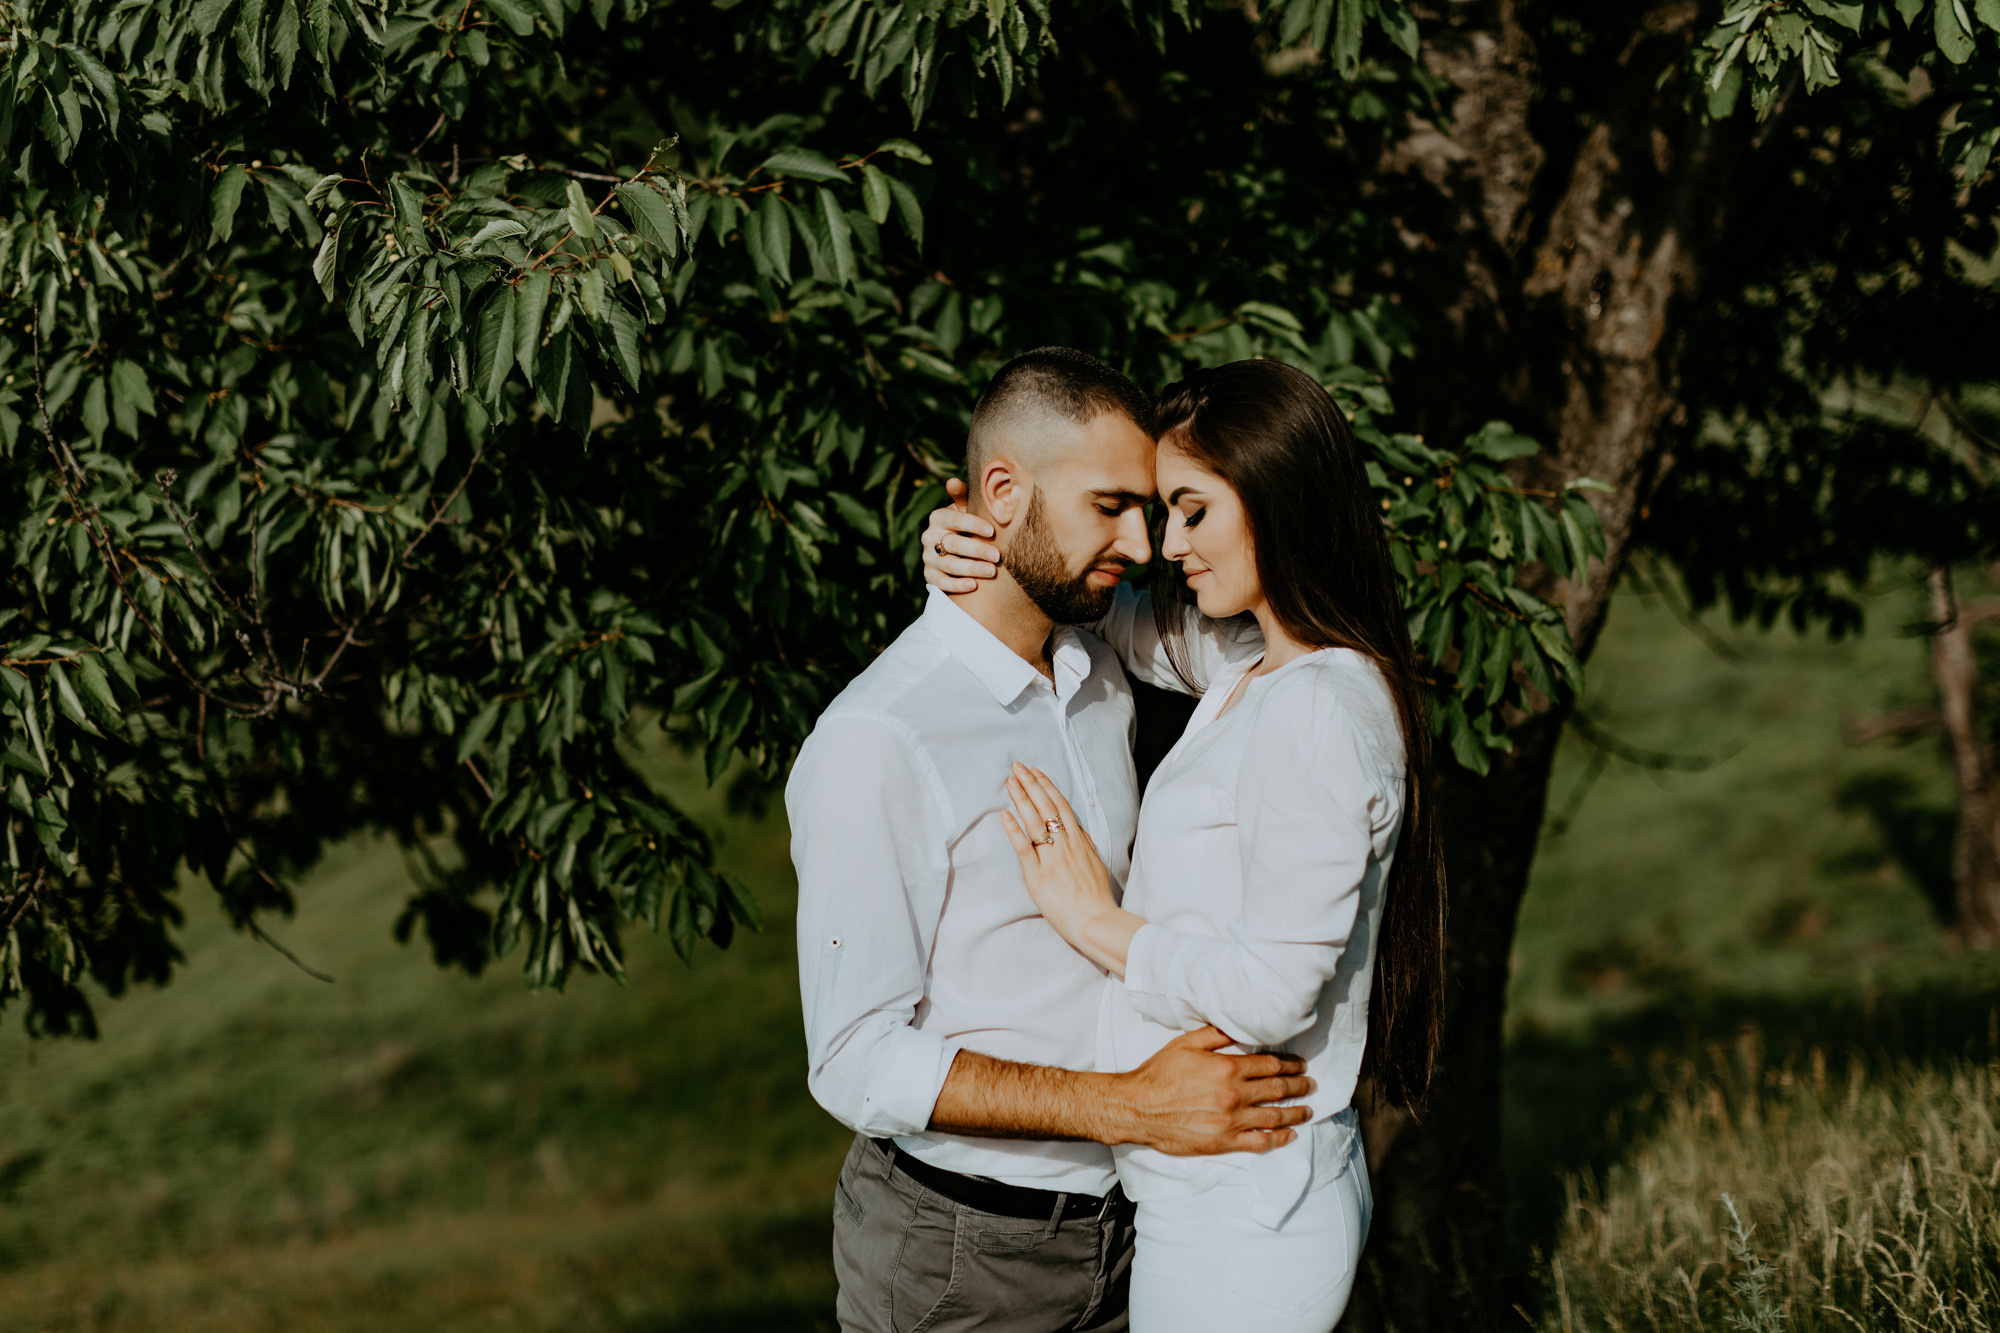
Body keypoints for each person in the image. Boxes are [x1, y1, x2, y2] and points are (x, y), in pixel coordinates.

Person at [788, 348, 1320, 1333]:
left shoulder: (1097, 664)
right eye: (1110, 506)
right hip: (959, 1254)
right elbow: (853, 1058)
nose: (1143, 542)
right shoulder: (879, 739)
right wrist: (1127, 1105)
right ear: (1002, 492)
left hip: (1128, 1227)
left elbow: (1285, 648)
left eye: (1148, 511)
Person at [919, 358, 1446, 1332]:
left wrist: (1096, 923)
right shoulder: (1255, 665)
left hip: (1246, 1215)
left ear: (1276, 497)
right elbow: (1109, 618)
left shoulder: (1318, 709)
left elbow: (1273, 990)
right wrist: (981, 547)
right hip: (1211, 1194)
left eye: (1193, 512)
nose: (1167, 545)